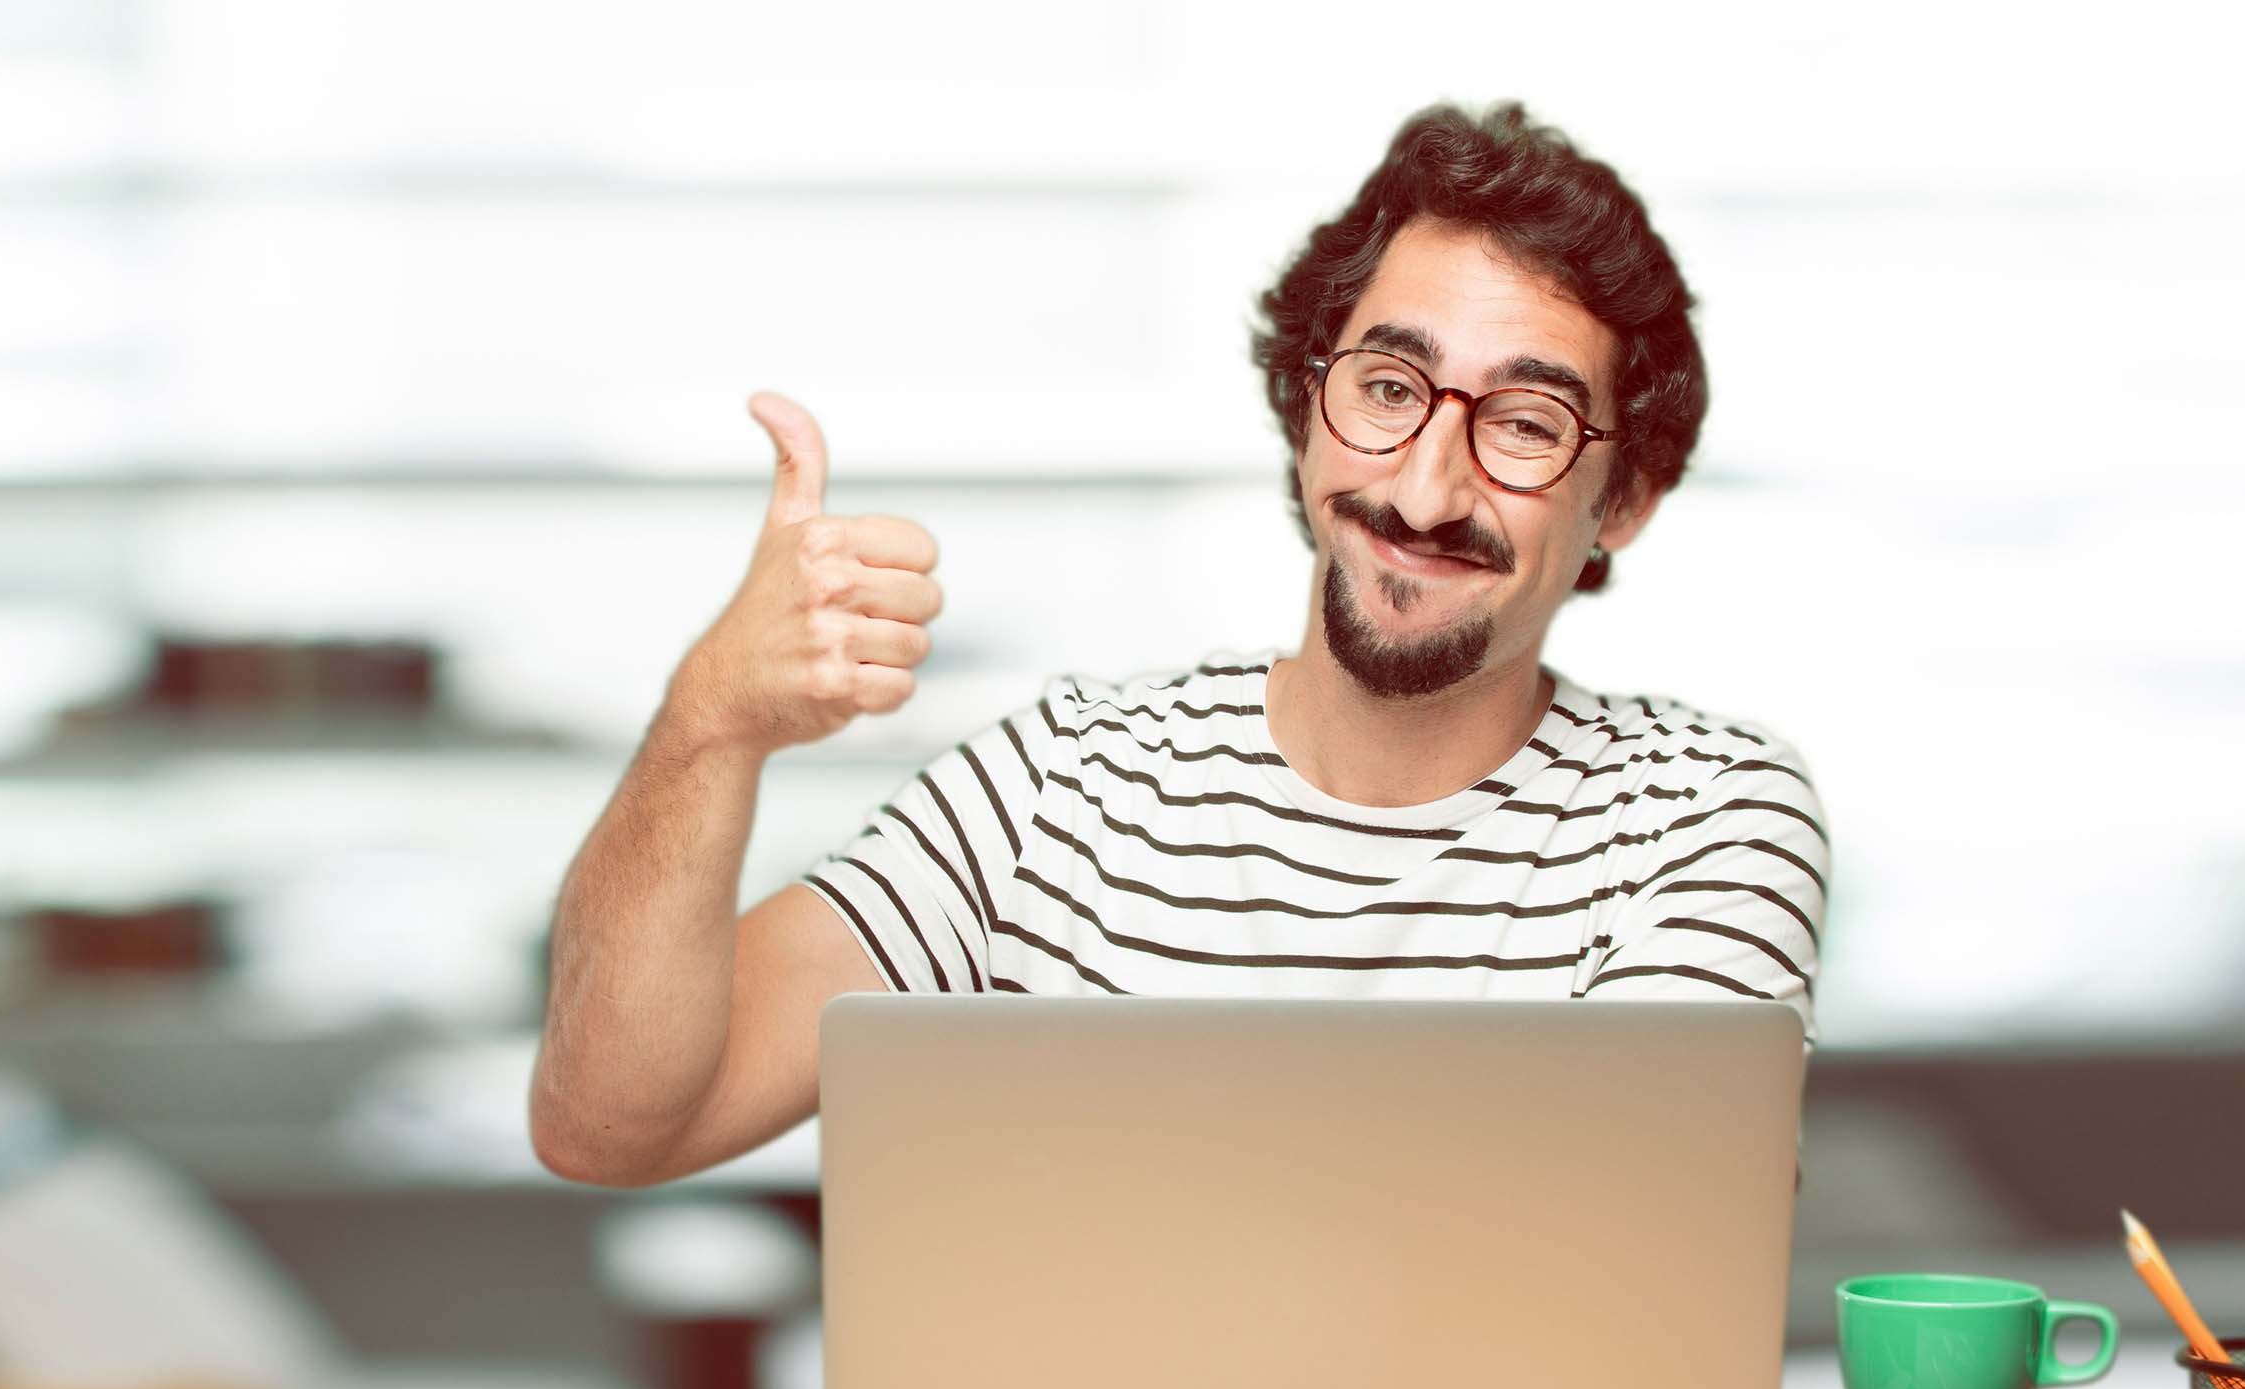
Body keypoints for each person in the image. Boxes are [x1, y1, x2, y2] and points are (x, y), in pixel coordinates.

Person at [530, 101, 1829, 1190]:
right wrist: (713, 720)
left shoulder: (1705, 814)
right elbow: (609, 1124)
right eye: (1386, 390)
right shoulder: (1063, 779)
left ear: (1628, 499)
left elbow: (1615, 1271)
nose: (1426, 492)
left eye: (1527, 424)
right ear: (1305, 410)